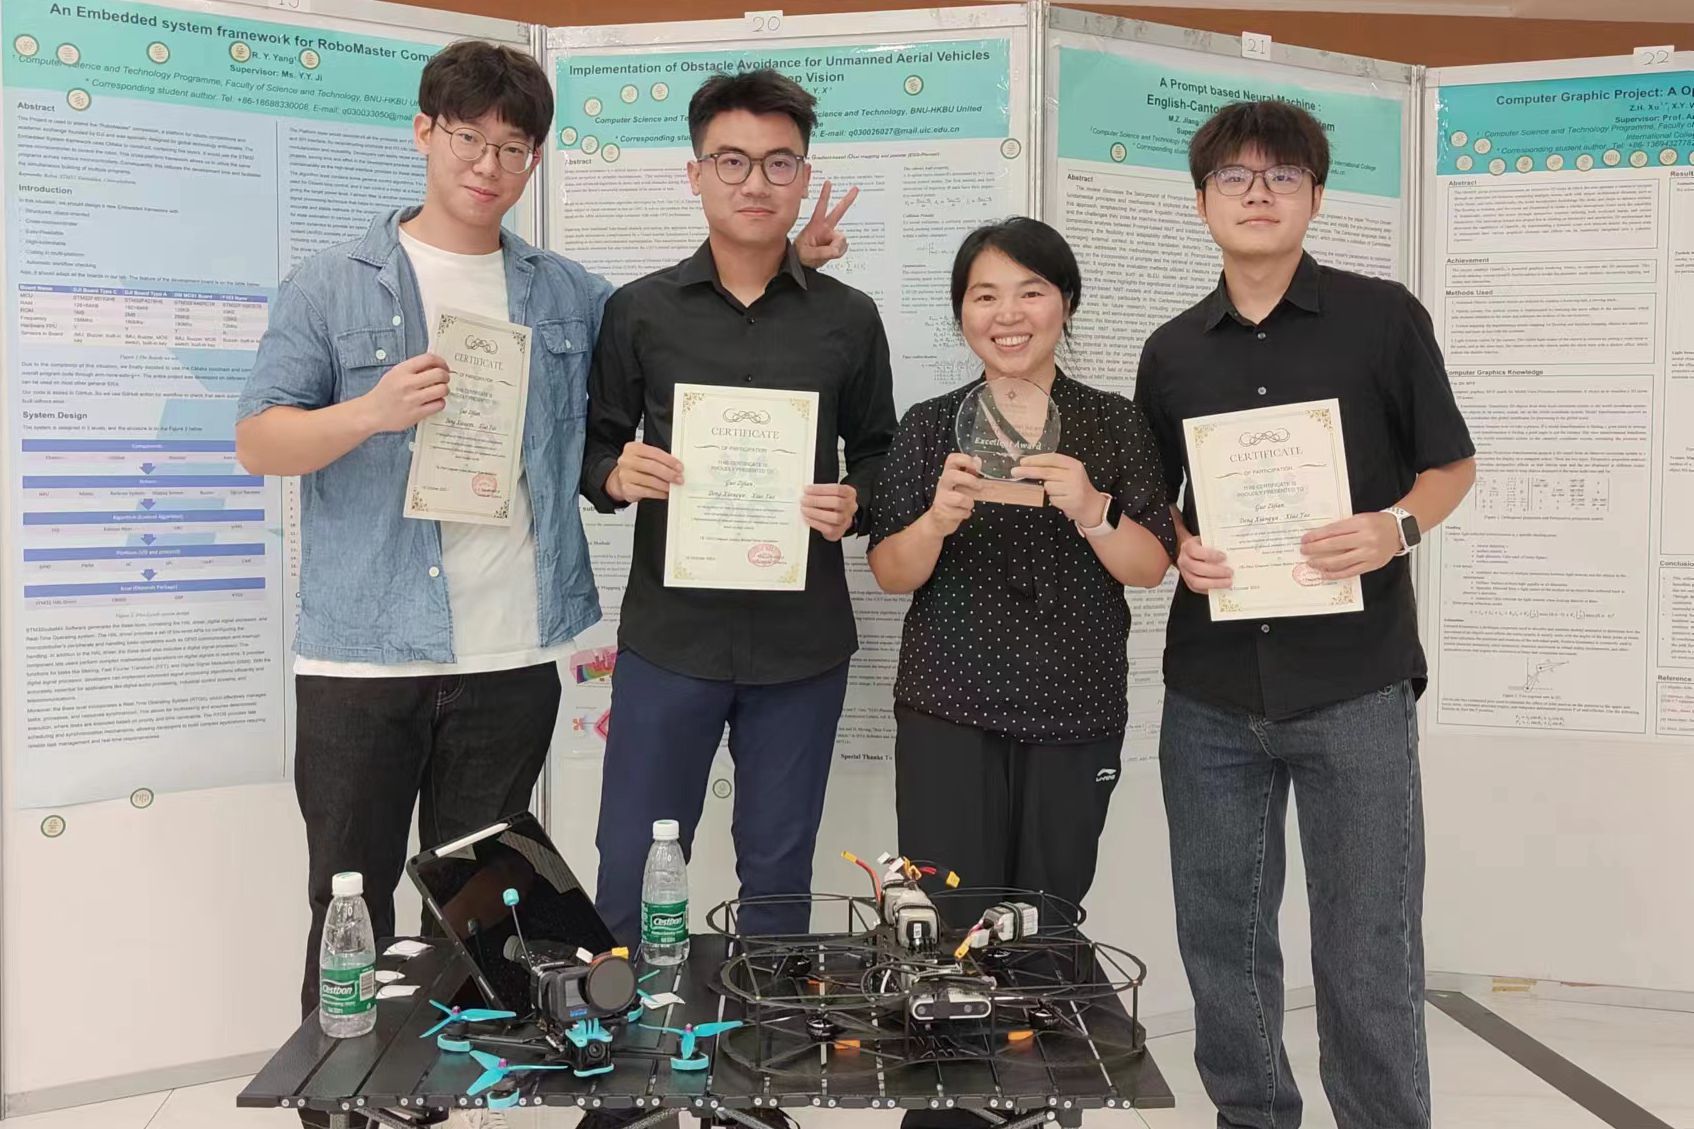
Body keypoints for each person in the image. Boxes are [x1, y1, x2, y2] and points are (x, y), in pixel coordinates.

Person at [235, 43, 609, 1062]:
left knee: (484, 916)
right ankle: (341, 1099)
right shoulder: (329, 284)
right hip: (361, 656)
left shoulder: (567, 293)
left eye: (512, 146)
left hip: (508, 654)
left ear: (534, 159)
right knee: (347, 904)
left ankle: (445, 1092)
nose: (488, 164)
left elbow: (671, 336)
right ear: (422, 132)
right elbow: (258, 439)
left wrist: (791, 268)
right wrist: (370, 409)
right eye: (467, 137)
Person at [1133, 100, 1476, 1129]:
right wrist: (1181, 544)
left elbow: (1449, 465)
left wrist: (1393, 529)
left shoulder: (1382, 318)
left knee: (1367, 939)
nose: (1257, 193)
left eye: (1281, 175)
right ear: (1201, 201)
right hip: (1210, 690)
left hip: (1354, 678)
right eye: (1233, 177)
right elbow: (1159, 504)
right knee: (1220, 936)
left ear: (1315, 197)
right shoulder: (1170, 351)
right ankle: (1252, 1115)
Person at [581, 69, 897, 944]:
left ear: (803, 175)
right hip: (670, 639)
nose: (755, 182)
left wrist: (857, 500)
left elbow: (880, 450)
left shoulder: (850, 318)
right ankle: (629, 1021)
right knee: (631, 865)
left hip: (802, 646)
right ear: (696, 174)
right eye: (731, 160)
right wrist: (616, 474)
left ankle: (766, 1025)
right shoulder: (639, 311)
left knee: (779, 873)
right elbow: (593, 445)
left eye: (778, 162)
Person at [867, 218, 1174, 923]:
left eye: (1030, 292)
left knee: (1045, 920)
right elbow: (890, 571)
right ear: (961, 314)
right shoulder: (930, 424)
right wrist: (936, 520)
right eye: (985, 296)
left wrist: (1094, 510)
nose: (1008, 315)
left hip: (1076, 706)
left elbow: (1151, 566)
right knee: (947, 920)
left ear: (1066, 302)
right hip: (948, 707)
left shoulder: (1114, 422)